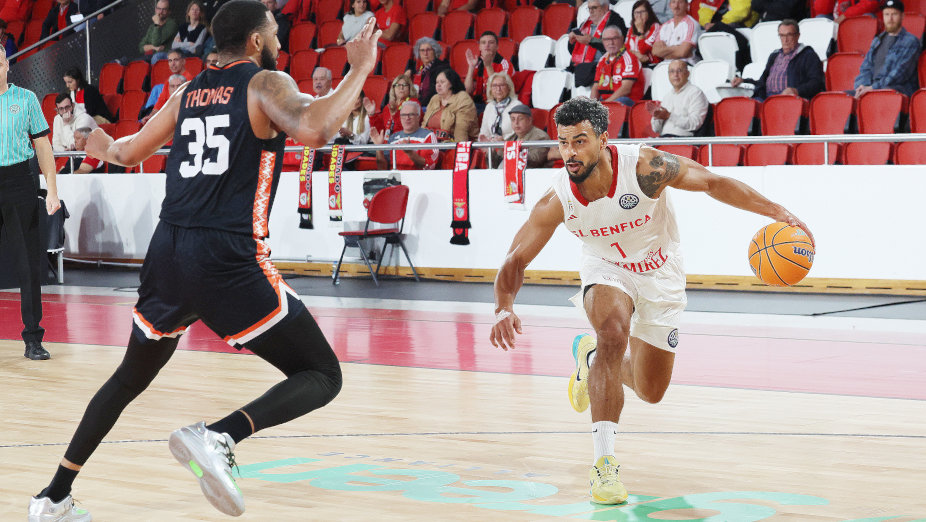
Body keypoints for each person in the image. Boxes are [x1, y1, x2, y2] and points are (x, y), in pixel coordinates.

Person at [27, 3, 379, 520]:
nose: (280, 39)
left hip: (168, 251)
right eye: (275, 33)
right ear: (257, 41)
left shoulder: (189, 91)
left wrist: (99, 143)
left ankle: (52, 495)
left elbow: (126, 153)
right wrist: (361, 67)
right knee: (323, 373)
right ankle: (218, 436)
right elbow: (317, 129)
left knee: (128, 377)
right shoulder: (265, 83)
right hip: (226, 256)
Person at [489, 96, 813, 506]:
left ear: (603, 139)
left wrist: (777, 211)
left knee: (651, 389)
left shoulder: (646, 169)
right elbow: (516, 257)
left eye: (580, 141)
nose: (570, 152)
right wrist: (503, 306)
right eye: (564, 142)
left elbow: (712, 182)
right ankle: (604, 466)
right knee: (612, 332)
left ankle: (588, 362)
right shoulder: (559, 199)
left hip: (661, 273)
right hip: (606, 268)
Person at [0, 46, 62, 362]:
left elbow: (43, 145)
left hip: (19, 182)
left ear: (6, 64)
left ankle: (33, 339)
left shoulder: (25, 99)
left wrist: (51, 190)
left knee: (28, 264)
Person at [730, 19, 824, 101]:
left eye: (789, 35)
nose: (785, 40)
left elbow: (816, 82)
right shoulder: (774, 56)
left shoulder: (808, 55)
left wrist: (796, 90)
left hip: (791, 100)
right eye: (782, 36)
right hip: (767, 99)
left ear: (797, 36)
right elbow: (762, 83)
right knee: (743, 105)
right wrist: (743, 81)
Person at [854, 0, 920, 98]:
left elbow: (899, 74)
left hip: (896, 91)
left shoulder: (910, 41)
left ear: (902, 16)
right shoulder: (877, 40)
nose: (890, 19)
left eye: (894, 14)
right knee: (842, 99)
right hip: (873, 89)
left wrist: (873, 88)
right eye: (887, 14)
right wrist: (862, 86)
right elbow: (865, 67)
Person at [569, 0, 627, 87]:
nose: (591, 11)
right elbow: (573, 52)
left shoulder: (615, 21)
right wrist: (572, 41)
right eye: (589, 8)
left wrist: (591, 41)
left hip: (605, 67)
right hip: (584, 68)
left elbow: (615, 48)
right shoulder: (585, 24)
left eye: (594, 8)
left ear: (605, 7)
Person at [371, 100, 438, 170]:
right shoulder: (393, 138)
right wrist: (378, 148)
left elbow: (429, 166)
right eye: (403, 115)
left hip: (417, 179)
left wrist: (410, 153)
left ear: (418, 117)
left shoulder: (428, 136)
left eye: (411, 114)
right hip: (394, 179)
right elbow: (382, 169)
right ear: (400, 117)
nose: (407, 118)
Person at [647, 59, 708, 137]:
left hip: (683, 141)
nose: (675, 74)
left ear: (687, 74)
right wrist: (657, 117)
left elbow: (694, 124)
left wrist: (669, 116)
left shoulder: (696, 93)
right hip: (664, 140)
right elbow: (656, 129)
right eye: (672, 71)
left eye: (679, 71)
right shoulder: (667, 96)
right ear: (668, 75)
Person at [488, 103, 555, 169]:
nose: (516, 123)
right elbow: (495, 164)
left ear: (529, 120)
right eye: (513, 119)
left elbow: (535, 161)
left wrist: (508, 149)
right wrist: (490, 151)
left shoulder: (541, 137)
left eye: (520, 119)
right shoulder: (511, 138)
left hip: (535, 176)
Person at [591, 26, 643, 106]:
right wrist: (591, 105)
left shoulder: (630, 58)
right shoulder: (602, 60)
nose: (611, 43)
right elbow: (596, 87)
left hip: (627, 102)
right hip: (607, 101)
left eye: (615, 38)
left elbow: (626, 89)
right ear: (603, 41)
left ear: (622, 39)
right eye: (607, 39)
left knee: (620, 101)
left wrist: (605, 104)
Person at [423, 68, 477, 142]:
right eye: (437, 82)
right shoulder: (434, 99)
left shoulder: (462, 98)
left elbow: (461, 131)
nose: (438, 85)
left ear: (451, 83)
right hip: (432, 145)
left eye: (442, 82)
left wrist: (458, 151)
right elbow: (424, 125)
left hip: (452, 145)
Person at [464, 31, 512, 107]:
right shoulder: (478, 63)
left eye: (491, 42)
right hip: (477, 102)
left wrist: (488, 65)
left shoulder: (505, 64)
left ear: (497, 47)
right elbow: (468, 90)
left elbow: (500, 91)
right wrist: (471, 67)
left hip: (496, 104)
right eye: (483, 43)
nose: (487, 45)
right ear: (480, 47)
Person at [369, 73, 418, 138]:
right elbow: (380, 131)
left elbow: (408, 126)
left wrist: (395, 115)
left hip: (405, 141)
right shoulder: (388, 107)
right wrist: (372, 115)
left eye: (405, 85)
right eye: (398, 85)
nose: (401, 87)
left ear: (410, 88)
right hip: (388, 144)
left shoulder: (413, 103)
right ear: (393, 88)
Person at [652, 0, 700, 65]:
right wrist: (675, 48)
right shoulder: (665, 26)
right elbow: (655, 51)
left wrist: (664, 51)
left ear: (686, 5)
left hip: (686, 65)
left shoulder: (691, 24)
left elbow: (683, 52)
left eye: (680, 2)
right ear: (670, 5)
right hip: (666, 65)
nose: (676, 6)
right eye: (673, 2)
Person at [405, 37, 449, 107]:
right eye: (422, 50)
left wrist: (418, 105)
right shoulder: (421, 70)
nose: (425, 53)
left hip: (432, 106)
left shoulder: (441, 69)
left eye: (428, 50)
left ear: (435, 51)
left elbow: (434, 93)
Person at [478, 72, 517, 142]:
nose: (498, 89)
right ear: (490, 89)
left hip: (510, 145)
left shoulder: (516, 105)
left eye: (502, 85)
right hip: (491, 147)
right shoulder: (489, 107)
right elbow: (484, 131)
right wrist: (484, 140)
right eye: (494, 86)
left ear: (509, 87)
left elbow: (519, 131)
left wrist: (503, 140)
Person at [626, 0, 661, 67]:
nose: (639, 16)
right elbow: (627, 50)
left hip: (652, 65)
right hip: (634, 65)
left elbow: (643, 49)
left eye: (642, 12)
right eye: (636, 12)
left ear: (649, 13)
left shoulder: (655, 26)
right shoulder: (631, 29)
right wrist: (638, 56)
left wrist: (640, 30)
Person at [814, 0, 880, 24]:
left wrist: (845, 16)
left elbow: (870, 4)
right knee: (820, 19)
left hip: (857, 21)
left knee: (866, 18)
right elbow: (821, 9)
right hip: (839, 22)